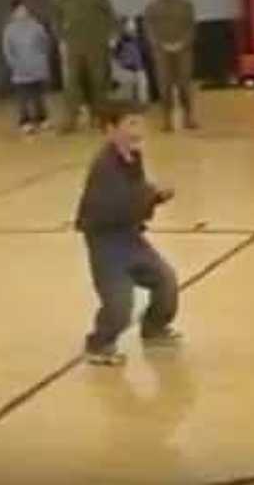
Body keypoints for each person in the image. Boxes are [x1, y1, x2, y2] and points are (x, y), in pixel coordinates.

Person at [74, 101, 181, 366]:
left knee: (165, 281)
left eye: (140, 122)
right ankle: (98, 344)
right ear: (111, 130)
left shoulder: (132, 157)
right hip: (106, 243)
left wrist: (151, 196)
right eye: (131, 123)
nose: (138, 129)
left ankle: (154, 328)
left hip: (129, 236)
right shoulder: (105, 167)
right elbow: (121, 204)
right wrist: (153, 196)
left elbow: (136, 194)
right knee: (120, 305)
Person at [55, 0, 117, 133]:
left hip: (96, 46)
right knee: (73, 84)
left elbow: (110, 14)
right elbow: (56, 17)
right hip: (75, 46)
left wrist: (112, 36)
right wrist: (61, 38)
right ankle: (71, 121)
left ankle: (102, 118)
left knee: (98, 82)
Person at [144, 0, 199, 132]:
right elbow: (149, 29)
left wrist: (183, 43)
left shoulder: (186, 3)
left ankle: (188, 117)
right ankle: (166, 120)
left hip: (183, 50)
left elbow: (192, 27)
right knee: (165, 86)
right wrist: (160, 45)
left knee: (184, 84)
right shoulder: (152, 6)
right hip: (162, 51)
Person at [2, 0, 52, 135]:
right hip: (20, 70)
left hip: (37, 67)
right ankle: (25, 122)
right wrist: (14, 64)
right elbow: (7, 51)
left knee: (39, 96)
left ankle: (42, 119)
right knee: (23, 98)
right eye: (19, 11)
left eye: (24, 10)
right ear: (13, 13)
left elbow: (45, 44)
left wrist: (42, 60)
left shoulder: (36, 26)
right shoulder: (9, 30)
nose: (22, 13)